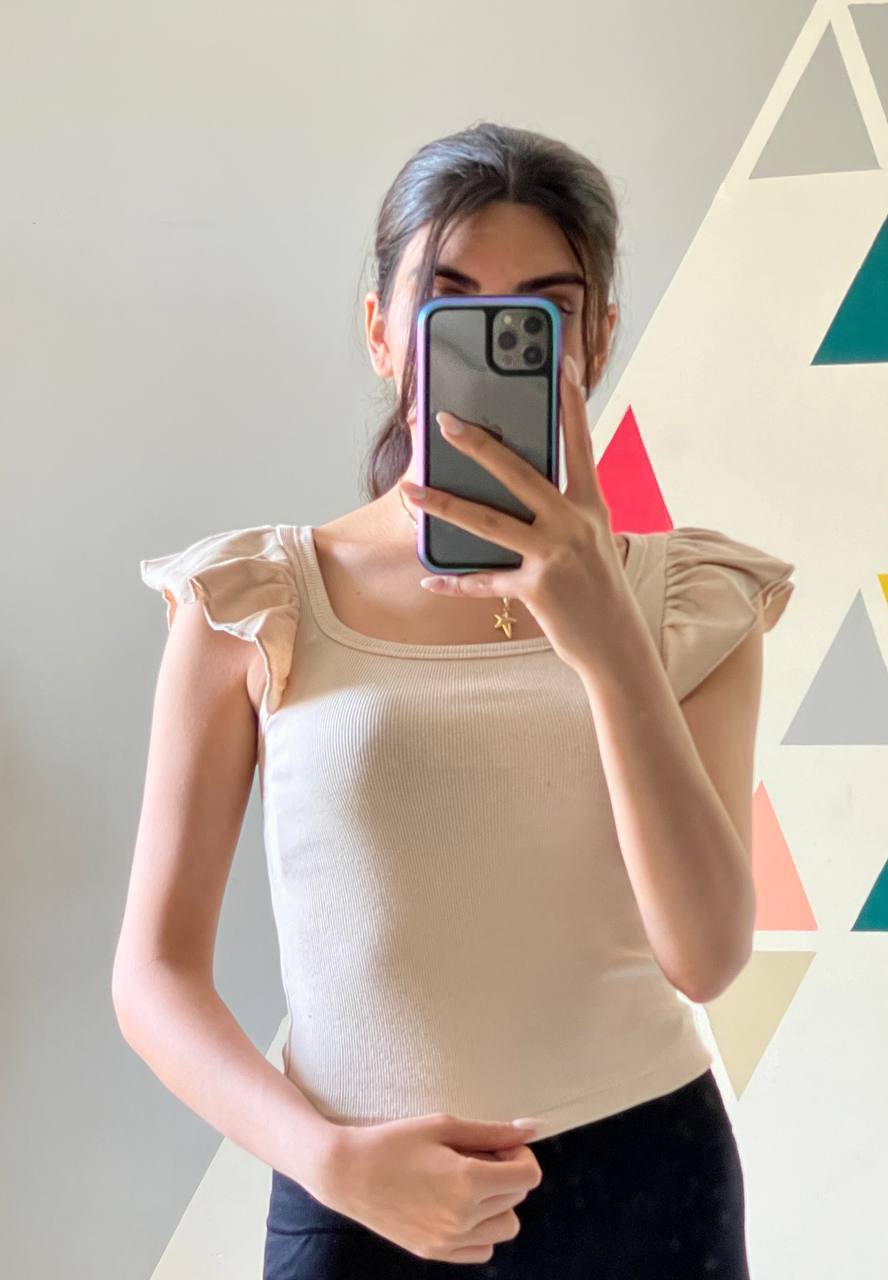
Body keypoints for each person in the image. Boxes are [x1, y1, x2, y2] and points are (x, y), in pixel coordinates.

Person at [114, 121, 796, 1278]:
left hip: (649, 1187)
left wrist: (609, 642)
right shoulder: (255, 599)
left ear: (598, 339)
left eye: (545, 311)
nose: (492, 340)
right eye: (449, 301)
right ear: (381, 330)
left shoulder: (689, 600)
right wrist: (329, 1160)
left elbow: (707, 955)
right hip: (356, 1193)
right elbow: (153, 975)